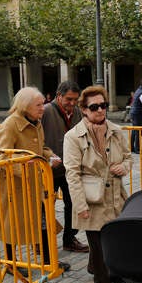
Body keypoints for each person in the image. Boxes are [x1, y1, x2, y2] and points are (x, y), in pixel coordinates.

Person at [63, 85, 131, 283]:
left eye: (103, 105)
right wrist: (79, 204)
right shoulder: (73, 137)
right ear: (84, 109)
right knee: (98, 244)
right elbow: (72, 173)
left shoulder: (117, 131)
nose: (100, 110)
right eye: (94, 107)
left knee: (115, 240)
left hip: (115, 195)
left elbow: (129, 157)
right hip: (91, 198)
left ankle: (99, 266)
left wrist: (124, 166)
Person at [0, 87, 70, 274]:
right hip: (16, 186)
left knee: (43, 221)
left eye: (43, 103)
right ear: (25, 105)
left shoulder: (36, 122)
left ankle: (48, 260)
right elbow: (1, 156)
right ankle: (11, 263)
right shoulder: (10, 124)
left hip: (36, 183)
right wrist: (25, 165)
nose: (43, 107)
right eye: (38, 104)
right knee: (12, 224)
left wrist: (50, 156)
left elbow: (41, 147)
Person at [41, 80, 89, 254]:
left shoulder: (76, 112)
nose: (72, 103)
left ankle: (69, 238)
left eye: (75, 99)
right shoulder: (45, 111)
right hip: (48, 169)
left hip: (69, 168)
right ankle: (42, 243)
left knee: (74, 203)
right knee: (45, 207)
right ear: (58, 96)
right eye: (69, 99)